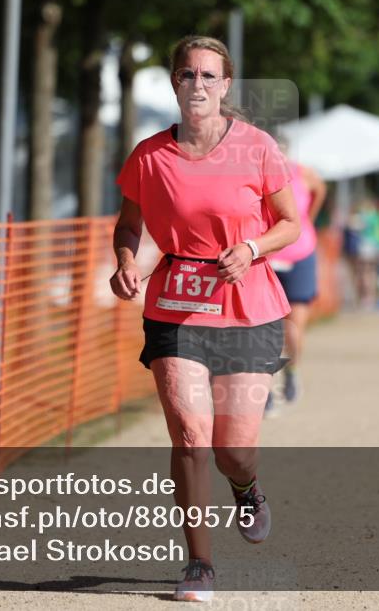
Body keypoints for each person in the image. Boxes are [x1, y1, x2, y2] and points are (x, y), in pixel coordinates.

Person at [110, 35, 300, 603]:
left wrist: (253, 248)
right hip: (175, 305)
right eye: (188, 74)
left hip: (247, 307)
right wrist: (125, 262)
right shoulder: (148, 156)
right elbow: (128, 226)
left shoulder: (257, 148)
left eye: (209, 76)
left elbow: (289, 223)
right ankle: (199, 563)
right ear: (174, 82)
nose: (198, 84)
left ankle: (246, 486)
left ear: (225, 86)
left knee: (232, 449)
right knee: (190, 435)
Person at [266, 142, 326, 411]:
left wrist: (307, 220)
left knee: (294, 326)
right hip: (266, 254)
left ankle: (292, 371)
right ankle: (263, 387)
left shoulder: (304, 174)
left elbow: (321, 191)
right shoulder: (255, 175)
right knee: (263, 326)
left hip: (300, 253)